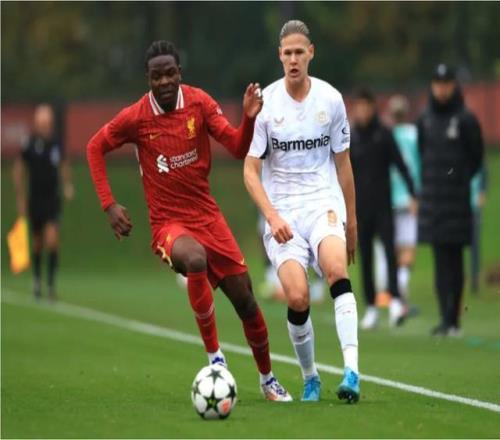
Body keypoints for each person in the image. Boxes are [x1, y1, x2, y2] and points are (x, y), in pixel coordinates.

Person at [86, 41, 292, 401]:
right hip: (169, 224)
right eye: (156, 76)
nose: (164, 81)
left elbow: (237, 147)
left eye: (170, 73)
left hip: (208, 216)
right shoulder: (136, 117)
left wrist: (248, 118)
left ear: (180, 73)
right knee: (195, 259)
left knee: (246, 301)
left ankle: (268, 379)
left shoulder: (199, 103)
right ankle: (216, 359)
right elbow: (94, 147)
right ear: (148, 79)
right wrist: (109, 204)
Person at [244, 20, 360, 403]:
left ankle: (352, 372)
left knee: (337, 271)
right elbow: (250, 171)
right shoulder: (266, 106)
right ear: (279, 56)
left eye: (299, 52)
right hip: (283, 213)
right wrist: (272, 216)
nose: (293, 59)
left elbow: (343, 164)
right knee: (297, 297)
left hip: (322, 202)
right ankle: (310, 377)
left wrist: (352, 221)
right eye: (287, 53)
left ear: (311, 53)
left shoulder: (331, 100)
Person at [417, 64, 484, 336]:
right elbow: (422, 152)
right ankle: (444, 318)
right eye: (437, 83)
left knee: (455, 261)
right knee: (439, 261)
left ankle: (453, 319)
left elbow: (476, 157)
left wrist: (459, 180)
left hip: (456, 202)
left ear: (453, 85)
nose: (441, 89)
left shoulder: (466, 119)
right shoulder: (425, 119)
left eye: (446, 83)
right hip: (433, 202)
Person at [349, 89, 416, 330]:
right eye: (359, 107)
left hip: (383, 207)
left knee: (390, 252)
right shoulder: (351, 137)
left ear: (372, 107)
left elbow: (400, 164)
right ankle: (371, 307)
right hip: (361, 209)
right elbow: (343, 173)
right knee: (365, 258)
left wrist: (413, 193)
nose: (362, 111)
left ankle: (396, 300)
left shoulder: (384, 134)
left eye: (366, 106)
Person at [12, 103, 74, 300]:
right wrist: (20, 197)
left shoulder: (56, 144)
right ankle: (37, 281)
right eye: (42, 123)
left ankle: (51, 284)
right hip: (35, 199)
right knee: (37, 243)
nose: (46, 126)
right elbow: (19, 169)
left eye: (48, 123)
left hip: (52, 199)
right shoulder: (29, 144)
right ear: (37, 124)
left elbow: (64, 164)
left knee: (52, 241)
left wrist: (67, 185)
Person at [374, 95, 421, 308]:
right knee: (408, 248)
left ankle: (388, 291)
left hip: (387, 198)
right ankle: (399, 287)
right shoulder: (414, 134)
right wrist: (417, 195)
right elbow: (419, 166)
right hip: (409, 199)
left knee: (386, 246)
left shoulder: (385, 134)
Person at [470, 167, 487, 293]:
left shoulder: (479, 163)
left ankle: (474, 279)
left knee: (475, 246)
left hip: (475, 207)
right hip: (459, 206)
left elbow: (484, 174)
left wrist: (482, 192)